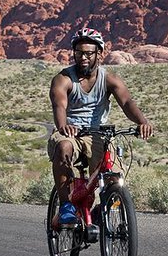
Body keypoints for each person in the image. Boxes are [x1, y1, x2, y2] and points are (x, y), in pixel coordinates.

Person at [48, 27, 153, 224]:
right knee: (63, 148)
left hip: (98, 133)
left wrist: (142, 122)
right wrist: (64, 126)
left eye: (88, 53)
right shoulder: (63, 79)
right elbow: (59, 105)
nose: (83, 57)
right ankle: (66, 207)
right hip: (70, 131)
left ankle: (98, 212)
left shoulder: (109, 79)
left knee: (115, 179)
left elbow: (127, 102)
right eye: (79, 53)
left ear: (99, 54)